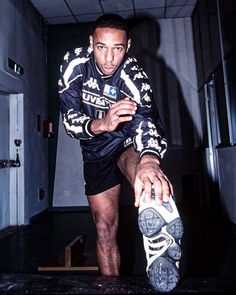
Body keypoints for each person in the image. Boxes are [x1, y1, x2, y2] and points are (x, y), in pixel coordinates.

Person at [58, 14, 183, 292]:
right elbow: (69, 120)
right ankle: (111, 288)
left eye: (117, 49)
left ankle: (153, 207)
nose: (109, 59)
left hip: (125, 142)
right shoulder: (74, 64)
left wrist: (150, 159)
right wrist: (103, 123)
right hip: (94, 150)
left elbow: (147, 122)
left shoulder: (133, 76)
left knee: (139, 164)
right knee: (104, 231)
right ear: (91, 43)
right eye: (102, 47)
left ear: (128, 47)